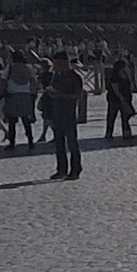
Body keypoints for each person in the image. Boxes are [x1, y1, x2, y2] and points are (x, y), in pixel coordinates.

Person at [43, 53, 85, 181]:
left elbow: (77, 95)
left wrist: (60, 95)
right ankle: (61, 169)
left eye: (58, 63)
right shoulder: (56, 76)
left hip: (68, 113)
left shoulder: (75, 77)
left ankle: (76, 169)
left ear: (64, 62)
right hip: (57, 112)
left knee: (72, 142)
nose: (56, 66)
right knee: (59, 143)